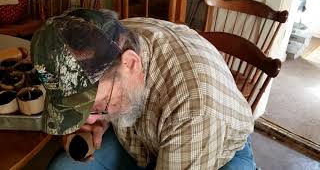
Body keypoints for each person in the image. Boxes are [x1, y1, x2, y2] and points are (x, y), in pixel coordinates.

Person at [31, 9, 255, 170]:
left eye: (98, 105)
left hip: (214, 152)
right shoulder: (112, 36)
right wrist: (101, 119)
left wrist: (102, 111)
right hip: (142, 141)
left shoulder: (196, 111)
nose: (87, 121)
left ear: (130, 63)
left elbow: (193, 117)